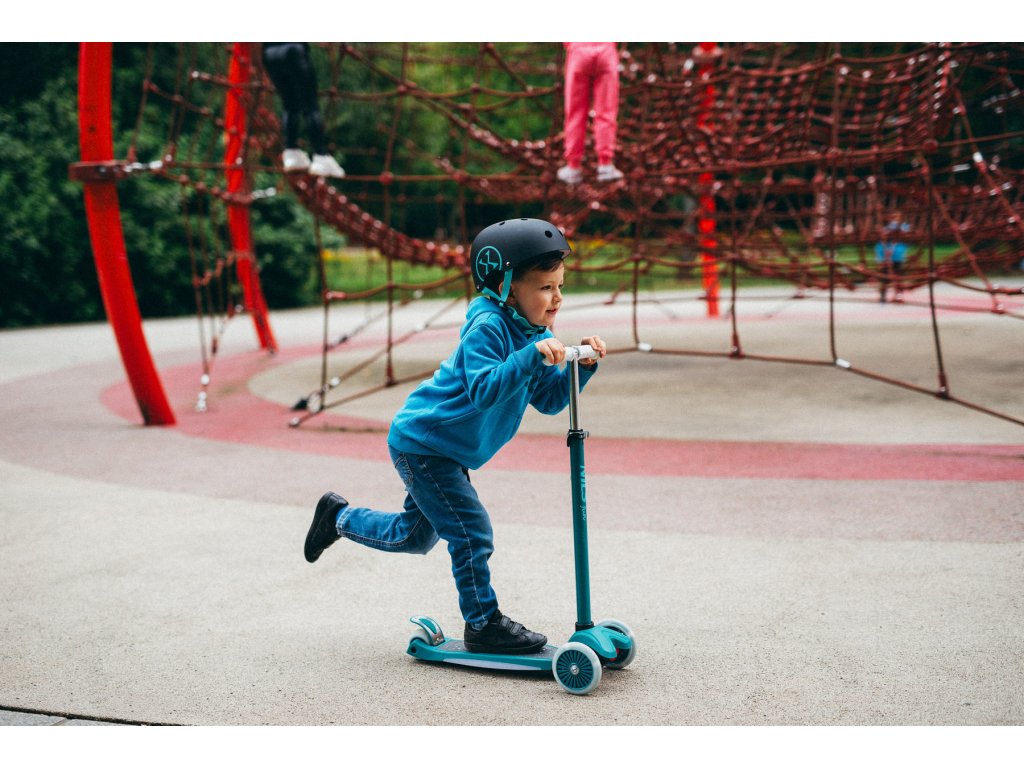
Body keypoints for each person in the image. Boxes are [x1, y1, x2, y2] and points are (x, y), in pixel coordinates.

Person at [304, 218, 607, 654]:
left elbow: (550, 400)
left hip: (447, 449)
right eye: (545, 287)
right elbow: (483, 390)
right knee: (471, 532)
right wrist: (529, 357)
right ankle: (482, 623)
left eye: (560, 286)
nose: (557, 298)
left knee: (414, 537)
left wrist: (584, 367)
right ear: (505, 288)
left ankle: (337, 517)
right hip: (423, 443)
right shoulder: (487, 328)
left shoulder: (536, 332)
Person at [262, 43, 345, 178]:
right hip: (293, 49)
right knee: (310, 106)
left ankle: (291, 153)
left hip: (270, 54)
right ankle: (321, 156)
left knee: (289, 105)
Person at [556, 43, 623, 185]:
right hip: (606, 50)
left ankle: (573, 166)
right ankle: (605, 164)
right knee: (606, 112)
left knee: (575, 113)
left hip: (579, 49)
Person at [875, 211, 910, 302]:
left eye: (897, 216)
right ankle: (883, 296)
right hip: (888, 258)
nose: (895, 218)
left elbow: (904, 232)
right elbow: (884, 235)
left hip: (898, 257)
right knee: (884, 277)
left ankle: (898, 295)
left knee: (898, 277)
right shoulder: (888, 229)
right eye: (894, 217)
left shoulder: (903, 226)